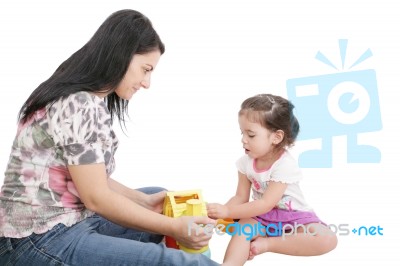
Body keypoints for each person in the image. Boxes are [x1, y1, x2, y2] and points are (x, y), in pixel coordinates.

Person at [0, 9, 220, 265]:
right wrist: (177, 229)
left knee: (159, 198)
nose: (147, 82)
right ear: (122, 56)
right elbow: (97, 198)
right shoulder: (80, 104)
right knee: (182, 261)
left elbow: (88, 178)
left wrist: (144, 201)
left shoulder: (79, 98)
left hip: (69, 220)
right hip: (37, 240)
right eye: (145, 69)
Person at [207, 94, 337, 265]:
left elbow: (266, 203)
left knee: (327, 239)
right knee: (244, 230)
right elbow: (240, 197)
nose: (243, 139)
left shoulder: (284, 165)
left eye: (251, 135)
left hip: (293, 217)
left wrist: (228, 212)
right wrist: (218, 214)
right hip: (260, 217)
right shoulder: (245, 163)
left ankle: (268, 243)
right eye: (242, 133)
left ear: (276, 137)